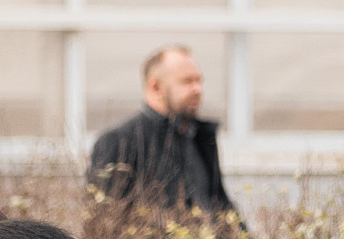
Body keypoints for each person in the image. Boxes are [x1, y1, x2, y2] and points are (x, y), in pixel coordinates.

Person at [87, 45, 239, 221]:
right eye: (187, 81)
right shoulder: (118, 142)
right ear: (155, 87)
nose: (198, 89)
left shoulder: (198, 138)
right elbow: (104, 227)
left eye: (199, 81)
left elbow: (222, 210)